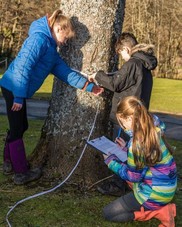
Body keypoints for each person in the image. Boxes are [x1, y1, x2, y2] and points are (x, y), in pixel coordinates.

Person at [0, 9, 103, 185]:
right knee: (18, 128)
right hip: (13, 87)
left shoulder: (51, 51)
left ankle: (8, 162)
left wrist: (89, 86)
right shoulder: (38, 40)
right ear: (58, 29)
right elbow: (22, 68)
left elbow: (65, 73)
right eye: (66, 37)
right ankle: (21, 173)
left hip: (17, 90)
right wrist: (18, 96)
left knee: (21, 126)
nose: (66, 41)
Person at [88, 32, 157, 195]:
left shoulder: (133, 63)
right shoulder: (144, 65)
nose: (122, 58)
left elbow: (116, 83)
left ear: (126, 48)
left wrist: (97, 76)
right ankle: (128, 181)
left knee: (118, 148)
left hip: (126, 117)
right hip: (137, 115)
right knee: (129, 150)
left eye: (121, 54)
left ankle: (117, 184)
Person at [101, 96, 177, 226]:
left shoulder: (137, 143)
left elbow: (133, 176)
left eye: (122, 121)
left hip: (153, 195)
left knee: (108, 213)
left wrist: (111, 161)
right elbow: (145, 156)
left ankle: (159, 212)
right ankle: (159, 207)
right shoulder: (154, 126)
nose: (122, 126)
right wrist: (125, 149)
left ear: (129, 119)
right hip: (167, 189)